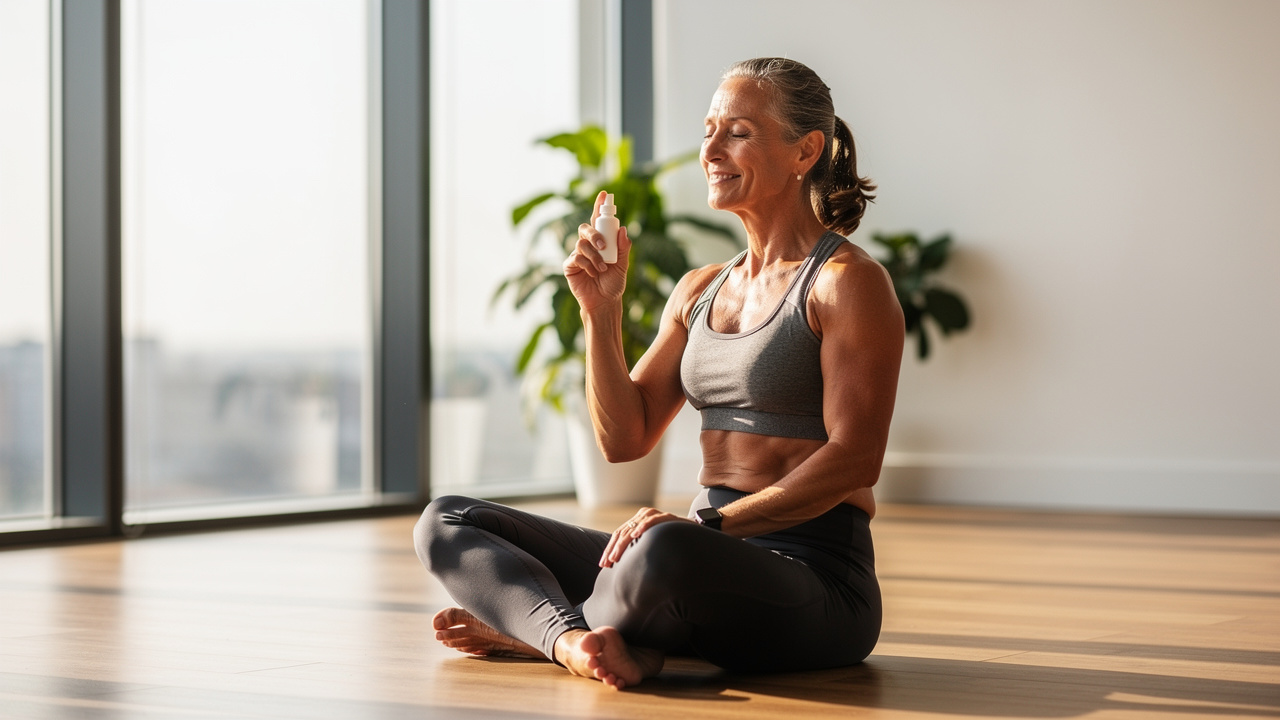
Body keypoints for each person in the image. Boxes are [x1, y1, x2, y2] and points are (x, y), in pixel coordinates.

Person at [414, 57, 904, 690]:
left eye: (739, 132)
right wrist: (601, 311)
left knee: (663, 551)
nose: (711, 149)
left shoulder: (846, 283)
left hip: (812, 577)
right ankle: (571, 640)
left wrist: (710, 526)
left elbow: (856, 459)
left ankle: (533, 628)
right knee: (447, 520)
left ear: (805, 150)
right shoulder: (699, 288)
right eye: (708, 130)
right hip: (693, 555)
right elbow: (626, 438)